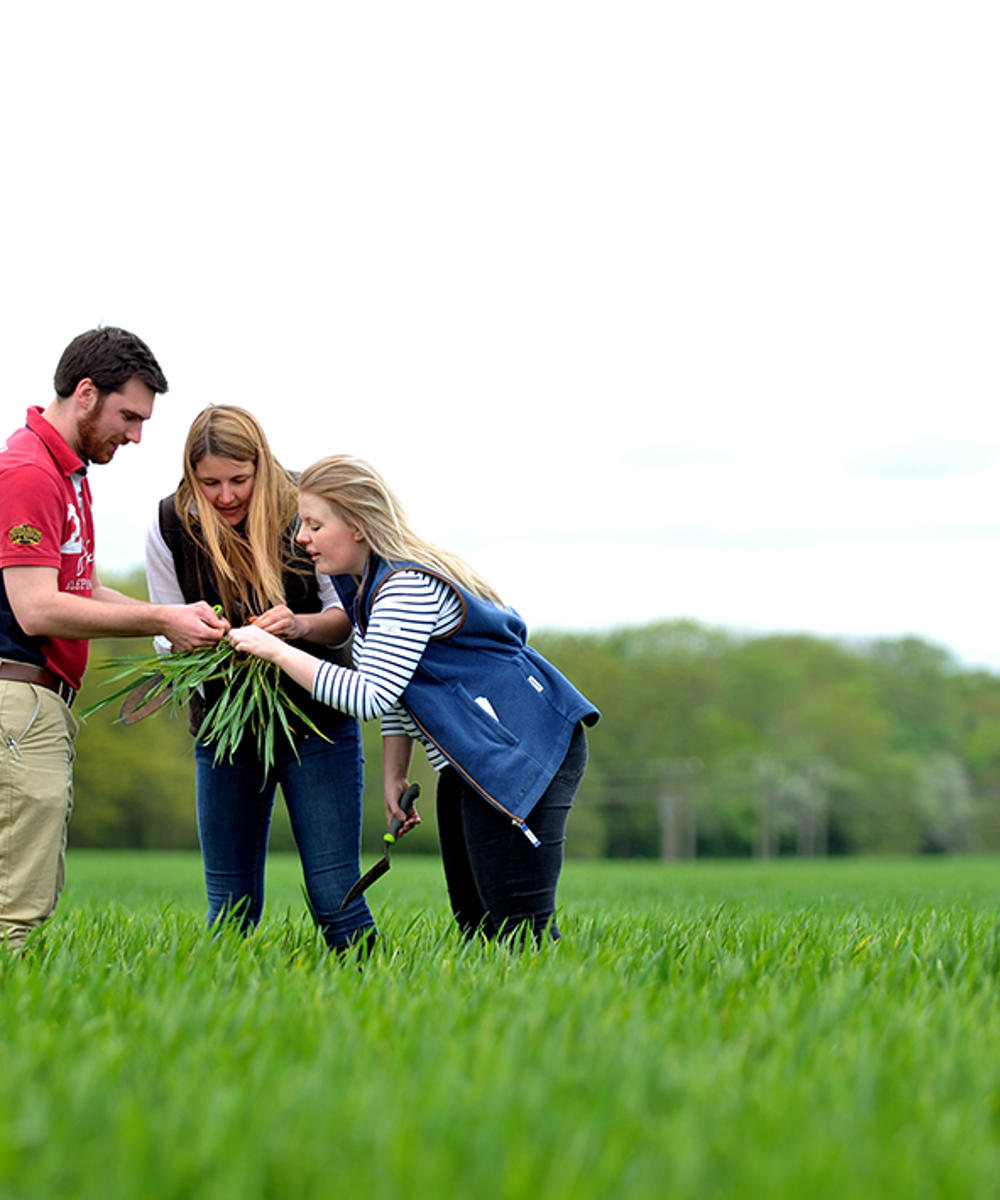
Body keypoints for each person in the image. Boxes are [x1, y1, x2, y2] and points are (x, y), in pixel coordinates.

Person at [228, 455, 600, 945]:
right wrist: (394, 775)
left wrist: (276, 650)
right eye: (303, 524)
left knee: (517, 933)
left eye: (316, 525)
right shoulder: (366, 583)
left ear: (358, 525)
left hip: (521, 753)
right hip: (472, 757)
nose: (302, 538)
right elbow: (398, 688)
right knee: (477, 925)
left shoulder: (404, 587)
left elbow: (368, 695)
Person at [0, 326, 228, 953]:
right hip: (15, 705)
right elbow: (37, 609)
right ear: (84, 393)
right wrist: (161, 621)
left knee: (28, 895)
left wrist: (176, 620)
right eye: (128, 415)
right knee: (12, 913)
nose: (134, 435)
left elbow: (78, 588)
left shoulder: (66, 473)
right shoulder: (27, 472)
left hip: (36, 709)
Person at [145, 407, 374, 954]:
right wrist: (191, 637)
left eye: (239, 481)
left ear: (262, 466)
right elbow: (162, 624)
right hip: (225, 727)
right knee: (230, 904)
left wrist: (296, 626)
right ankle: (223, 1005)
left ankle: (375, 994)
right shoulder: (170, 524)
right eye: (210, 483)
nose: (225, 496)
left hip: (316, 722)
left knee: (334, 893)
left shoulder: (305, 507)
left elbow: (344, 614)